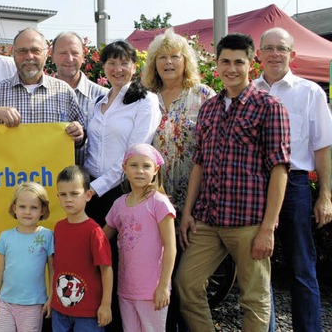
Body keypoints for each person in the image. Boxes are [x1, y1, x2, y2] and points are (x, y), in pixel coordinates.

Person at [176, 33, 290, 331]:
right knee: (186, 285)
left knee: (254, 298)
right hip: (208, 219)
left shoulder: (269, 106)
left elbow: (279, 169)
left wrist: (268, 227)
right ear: (216, 64)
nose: (231, 68)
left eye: (238, 62)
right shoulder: (210, 108)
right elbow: (199, 164)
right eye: (225, 61)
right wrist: (188, 213)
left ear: (250, 64)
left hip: (249, 221)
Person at [254, 27, 332, 331]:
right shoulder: (249, 91)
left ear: (292, 54)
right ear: (258, 55)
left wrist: (325, 194)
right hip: (255, 185)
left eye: (282, 49)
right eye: (269, 48)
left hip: (296, 185)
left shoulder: (309, 92)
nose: (275, 54)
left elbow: (323, 146)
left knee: (302, 267)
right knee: (258, 269)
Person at [141, 29, 215, 331]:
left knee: (186, 277)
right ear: (154, 64)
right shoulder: (145, 97)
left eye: (175, 56)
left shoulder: (203, 96)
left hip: (190, 201)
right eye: (162, 57)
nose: (169, 62)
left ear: (186, 61)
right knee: (155, 271)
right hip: (152, 198)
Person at [0, 28, 85, 150]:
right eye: (22, 51)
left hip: (53, 169)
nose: (29, 56)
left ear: (46, 54)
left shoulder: (64, 92)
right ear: (13, 54)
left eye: (35, 50)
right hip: (6, 169)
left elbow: (82, 137)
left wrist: (78, 134)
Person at [84, 40, 160, 226]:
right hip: (90, 188)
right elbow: (90, 146)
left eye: (124, 63)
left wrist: (97, 186)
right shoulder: (98, 101)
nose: (118, 69)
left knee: (119, 249)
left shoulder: (145, 101)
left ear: (134, 67)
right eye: (111, 63)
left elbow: (133, 154)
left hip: (122, 189)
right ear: (104, 67)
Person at [103, 144, 176, 332]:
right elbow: (101, 238)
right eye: (134, 165)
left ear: (156, 169)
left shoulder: (159, 203)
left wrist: (164, 286)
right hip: (126, 289)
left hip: (152, 290)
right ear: (124, 167)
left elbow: (170, 247)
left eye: (146, 166)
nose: (140, 171)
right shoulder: (119, 204)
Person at [51, 165, 112, 331]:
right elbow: (54, 266)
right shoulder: (58, 228)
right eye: (63, 195)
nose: (68, 199)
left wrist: (106, 305)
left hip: (88, 313)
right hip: (60, 309)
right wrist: (51, 299)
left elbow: (106, 270)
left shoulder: (94, 231)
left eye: (74, 194)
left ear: (88, 195)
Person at [0, 182, 54, 332]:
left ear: (42, 210)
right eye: (22, 206)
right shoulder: (6, 237)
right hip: (6, 303)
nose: (27, 212)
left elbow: (52, 269)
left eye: (34, 207)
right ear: (14, 208)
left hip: (33, 304)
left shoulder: (47, 236)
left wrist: (51, 298)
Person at [51, 32, 109, 165]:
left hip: (92, 181)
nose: (69, 59)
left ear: (83, 56)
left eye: (75, 53)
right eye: (63, 53)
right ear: (52, 56)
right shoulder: (38, 95)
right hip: (48, 176)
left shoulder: (103, 97)